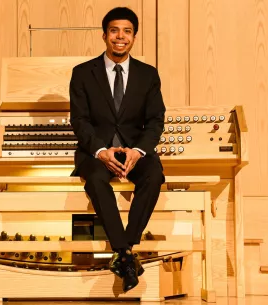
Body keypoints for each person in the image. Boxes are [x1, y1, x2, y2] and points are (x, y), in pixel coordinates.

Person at [69, 6, 166, 293]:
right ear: (104, 35)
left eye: (127, 31)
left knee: (154, 177)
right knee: (97, 181)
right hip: (96, 152)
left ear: (134, 37)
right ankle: (125, 254)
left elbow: (155, 120)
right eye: (114, 31)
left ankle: (124, 250)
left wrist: (138, 151)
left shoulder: (148, 75)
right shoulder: (83, 73)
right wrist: (100, 150)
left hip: (134, 150)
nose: (120, 37)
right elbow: (80, 120)